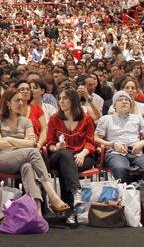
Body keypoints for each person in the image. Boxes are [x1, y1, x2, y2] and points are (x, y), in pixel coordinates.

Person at [0, 87, 69, 219]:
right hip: (2, 159)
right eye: (17, 100)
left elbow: (32, 142)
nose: (21, 103)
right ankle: (52, 195)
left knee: (28, 167)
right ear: (8, 103)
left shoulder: (26, 122)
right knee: (32, 152)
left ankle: (37, 211)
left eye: (22, 100)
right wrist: (22, 141)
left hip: (24, 157)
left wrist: (9, 139)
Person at [44, 87, 95, 224]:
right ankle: (76, 191)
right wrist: (57, 147)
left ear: (73, 100)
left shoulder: (86, 119)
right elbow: (50, 143)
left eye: (65, 98)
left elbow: (90, 142)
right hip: (58, 154)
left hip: (82, 155)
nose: (61, 101)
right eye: (59, 98)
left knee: (66, 167)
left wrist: (83, 154)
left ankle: (69, 212)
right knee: (66, 156)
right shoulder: (55, 119)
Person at [94, 90, 144, 184]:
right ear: (114, 106)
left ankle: (137, 187)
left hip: (135, 151)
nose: (124, 101)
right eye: (120, 100)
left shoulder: (137, 118)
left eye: (127, 100)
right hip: (115, 152)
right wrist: (112, 145)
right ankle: (126, 191)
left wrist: (143, 143)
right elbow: (96, 139)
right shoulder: (106, 119)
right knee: (120, 168)